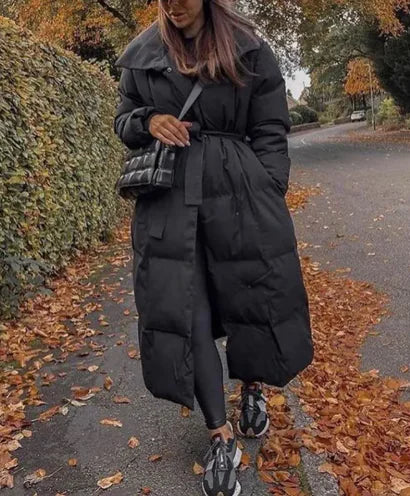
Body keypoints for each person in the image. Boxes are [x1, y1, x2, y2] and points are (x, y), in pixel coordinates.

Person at [113, 1, 314, 494]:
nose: (173, 5)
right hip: (169, 204)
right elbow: (123, 121)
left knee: (249, 298)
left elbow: (270, 128)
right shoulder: (142, 53)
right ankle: (219, 434)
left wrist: (268, 187)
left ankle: (252, 388)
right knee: (189, 313)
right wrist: (147, 121)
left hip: (240, 196)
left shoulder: (248, 46)